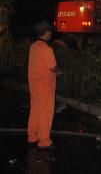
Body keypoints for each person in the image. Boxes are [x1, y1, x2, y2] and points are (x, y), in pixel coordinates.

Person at [27, 21, 61, 149]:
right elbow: (53, 67)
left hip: (34, 85)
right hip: (45, 86)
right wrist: (59, 71)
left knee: (35, 111)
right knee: (46, 113)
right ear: (45, 32)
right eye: (50, 31)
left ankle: (32, 136)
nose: (51, 33)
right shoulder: (46, 49)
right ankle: (44, 141)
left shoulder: (34, 46)